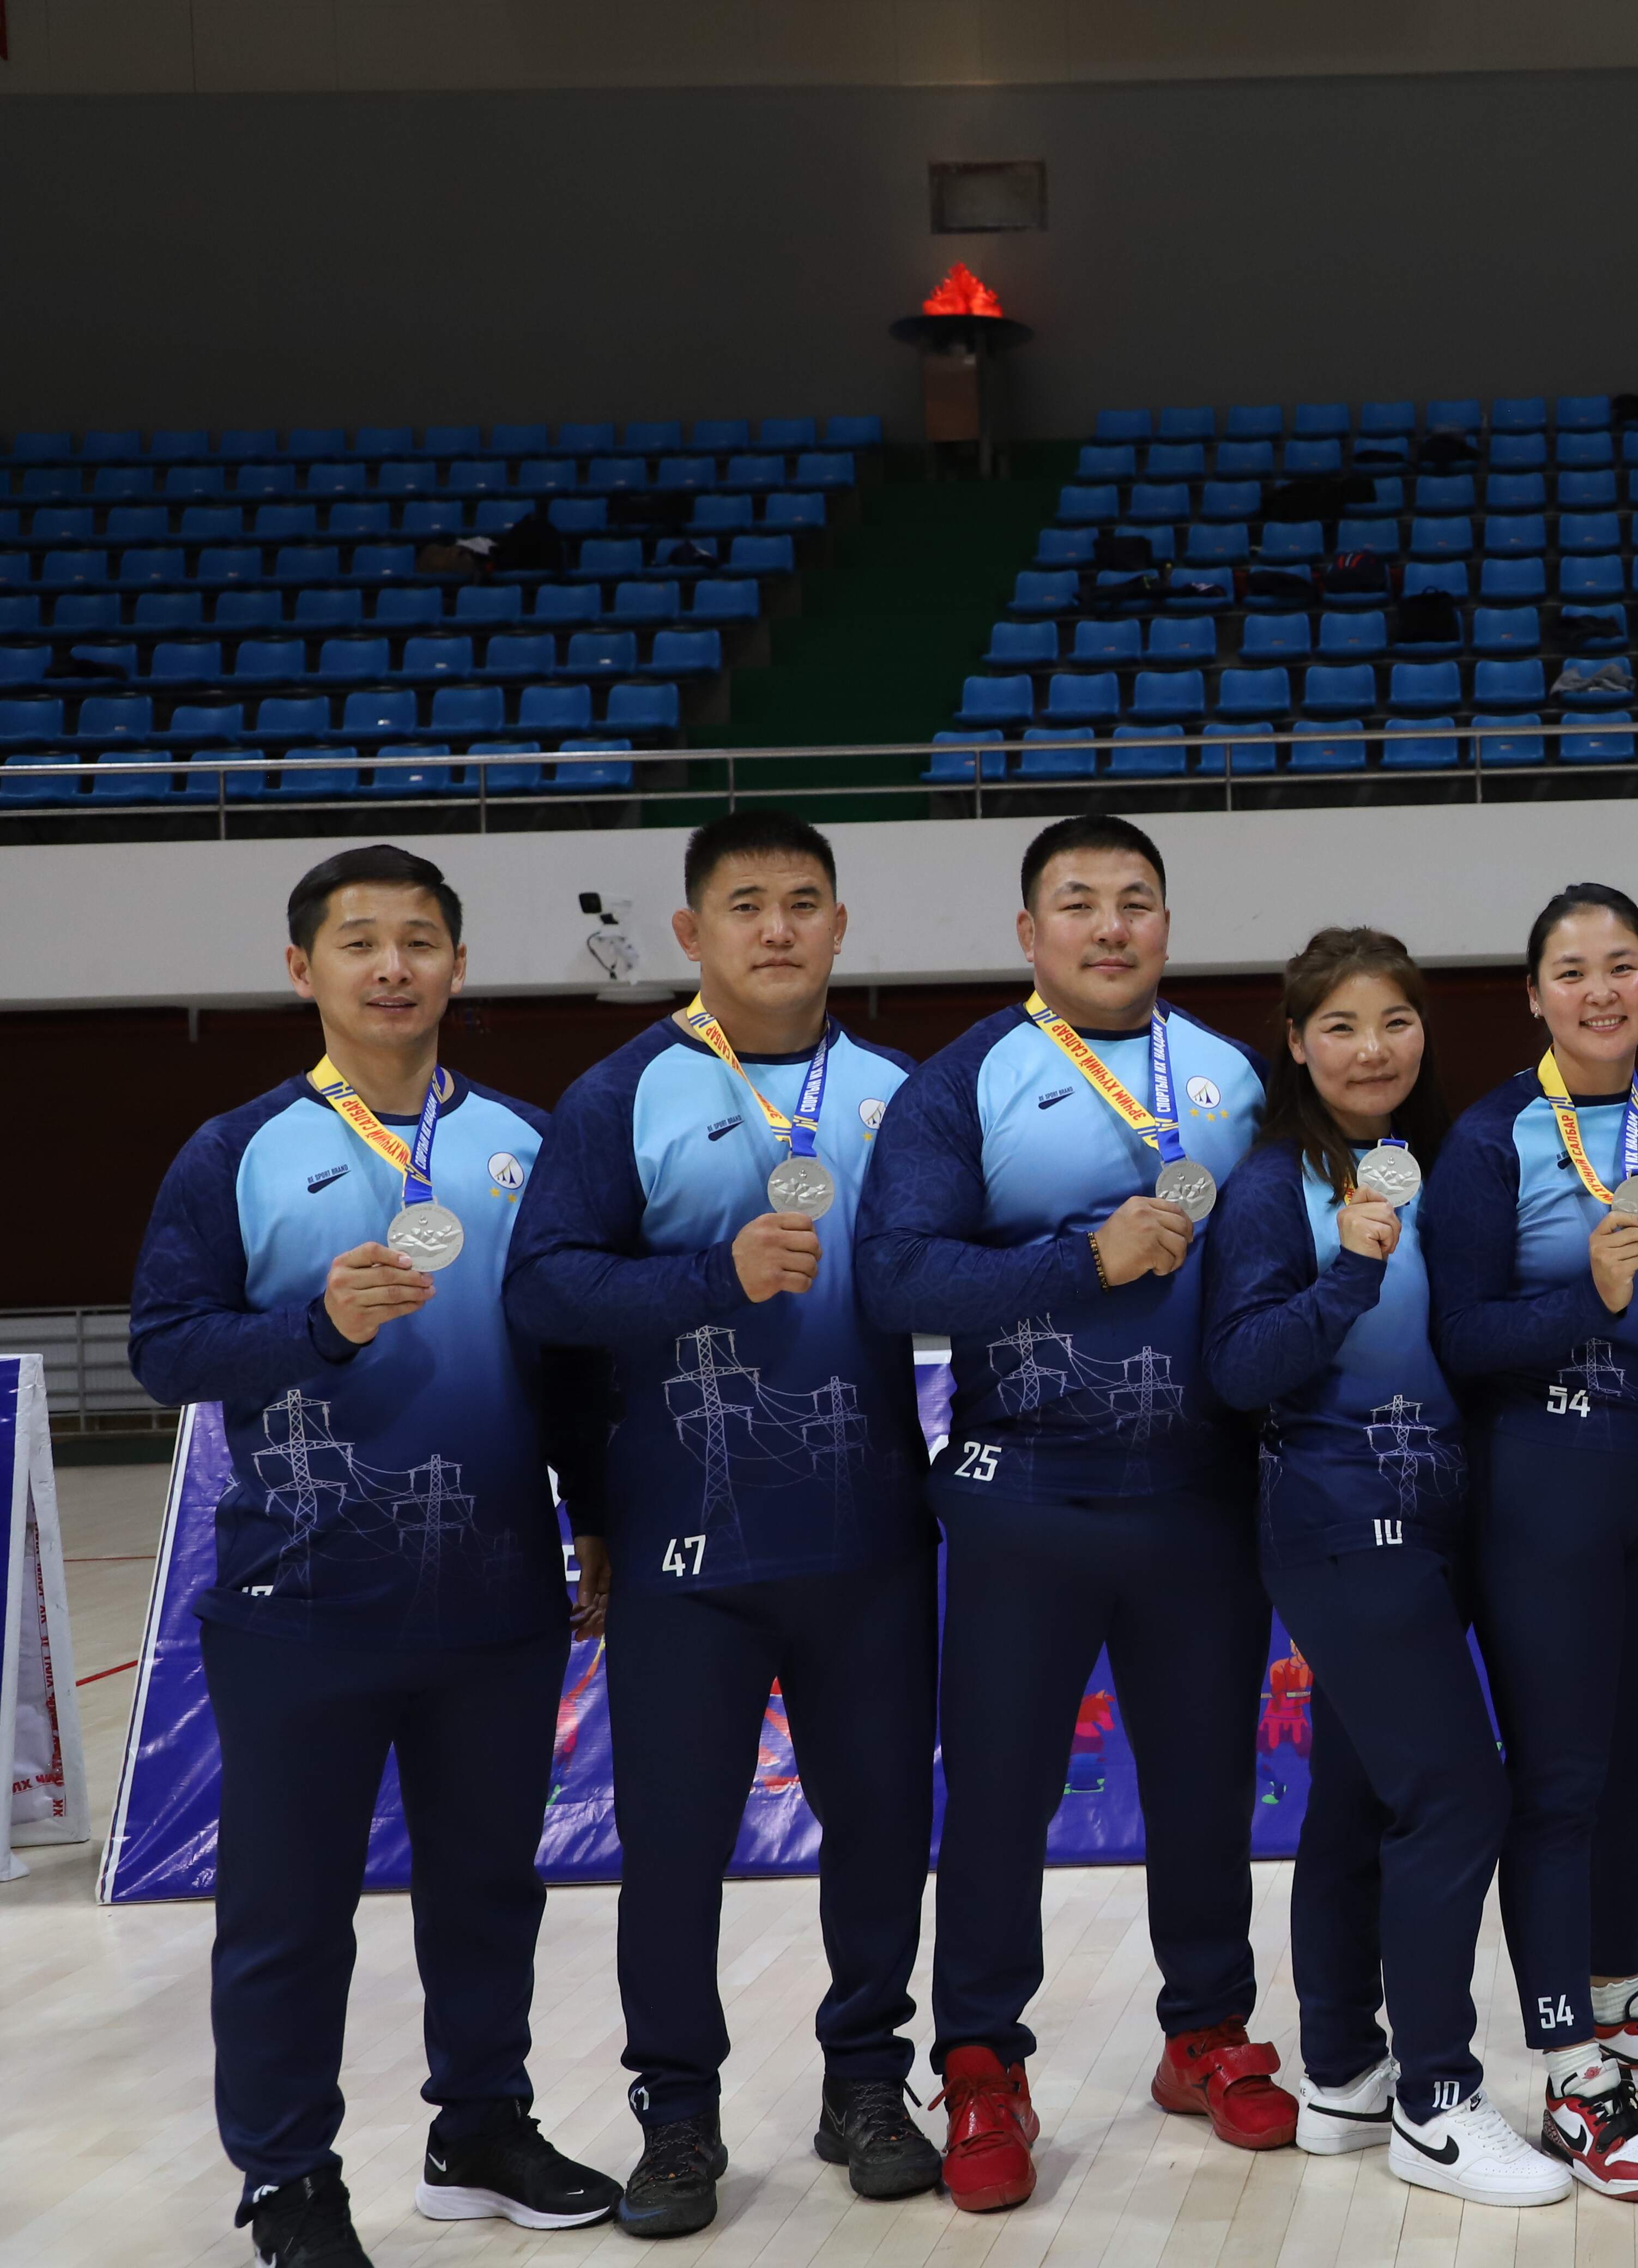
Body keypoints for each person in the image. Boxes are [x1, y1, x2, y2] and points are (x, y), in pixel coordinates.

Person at [131, 845, 621, 2268]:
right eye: (359, 942)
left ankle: (482, 2131)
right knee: (287, 1916)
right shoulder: (235, 1151)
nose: (392, 966)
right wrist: (317, 1328)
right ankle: (288, 2181)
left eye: (419, 940)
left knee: (490, 1892)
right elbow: (167, 1351)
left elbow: (569, 1361)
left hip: (496, 1592)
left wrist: (593, 1508)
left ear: (459, 965)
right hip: (300, 1601)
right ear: (304, 970)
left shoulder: (530, 1145)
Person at [503, 812, 936, 2237]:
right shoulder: (621, 1093)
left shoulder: (903, 1095)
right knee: (676, 1849)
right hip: (687, 1548)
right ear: (692, 932)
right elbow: (545, 1290)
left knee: (881, 1829)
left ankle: (866, 2082)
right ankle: (677, 2116)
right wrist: (710, 1277)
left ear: (840, 925)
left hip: (870, 1543)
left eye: (804, 901)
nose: (778, 928)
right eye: (746, 904)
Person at [856, 815, 1292, 2212]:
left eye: (1136, 901)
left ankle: (1205, 2030)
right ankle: (982, 2060)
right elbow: (895, 1277)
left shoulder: (1230, 1078)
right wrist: (1076, 1259)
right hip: (1024, 1500)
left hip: (1198, 1502)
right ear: (1028, 931)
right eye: (1079, 902)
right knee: (999, 1797)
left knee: (1207, 1786)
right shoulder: (966, 1080)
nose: (1111, 926)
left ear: (1167, 921)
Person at [1202, 929, 1570, 2210]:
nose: (1373, 1049)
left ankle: (1346, 2074)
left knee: (1359, 1802)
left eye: (1396, 1022)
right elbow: (1238, 1368)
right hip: (1336, 1519)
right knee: (1459, 1797)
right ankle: (1436, 2099)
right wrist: (1348, 1274)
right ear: (1297, 1042)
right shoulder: (1273, 1186)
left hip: (1438, 1524)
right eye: (1343, 1026)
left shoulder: (1435, 1160)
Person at [1423, 883, 1638, 2202]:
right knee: (1560, 1777)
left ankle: (1613, 1998)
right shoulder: (1489, 1137)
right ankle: (1569, 2070)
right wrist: (1588, 1295)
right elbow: (1459, 1334)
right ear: (1534, 995)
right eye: (1571, 970)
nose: (1599, 990)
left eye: (1622, 966)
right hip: (1544, 1473)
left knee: (1629, 1763)